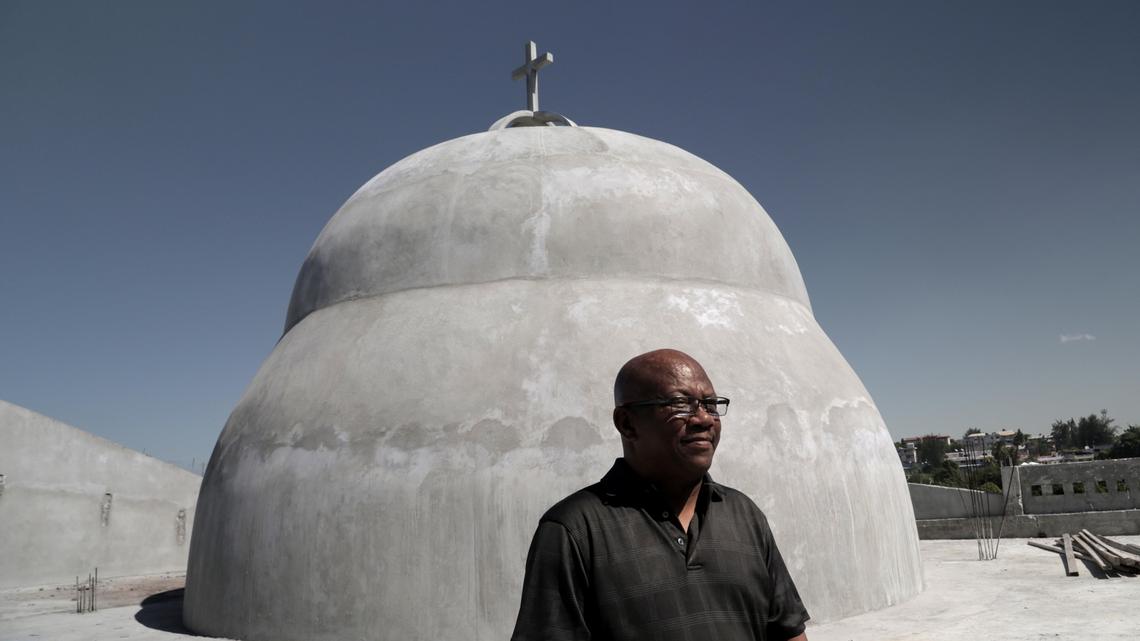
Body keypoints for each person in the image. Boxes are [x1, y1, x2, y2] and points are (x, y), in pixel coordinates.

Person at [510, 348, 809, 641]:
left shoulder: (744, 515)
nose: (704, 419)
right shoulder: (574, 531)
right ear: (627, 423)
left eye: (711, 404)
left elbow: (787, 631)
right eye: (681, 404)